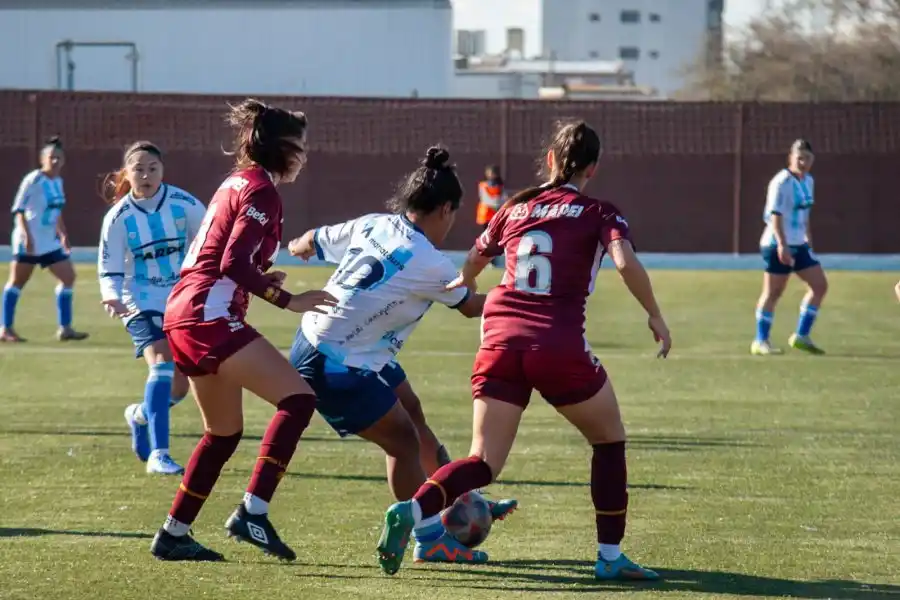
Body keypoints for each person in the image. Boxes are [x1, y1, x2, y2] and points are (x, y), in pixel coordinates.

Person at [375, 120, 672, 581]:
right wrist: (653, 313)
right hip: (556, 343)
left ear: (550, 160)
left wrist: (468, 282)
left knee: (481, 462)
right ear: (592, 168)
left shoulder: (515, 207)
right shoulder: (599, 211)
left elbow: (474, 258)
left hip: (498, 336)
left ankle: (413, 512)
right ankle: (610, 558)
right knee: (609, 441)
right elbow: (625, 261)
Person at [287, 147, 516, 565]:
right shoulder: (430, 260)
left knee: (412, 409)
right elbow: (468, 305)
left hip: (334, 343)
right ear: (445, 209)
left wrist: (298, 244)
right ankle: (429, 540)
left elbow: (309, 241)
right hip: (337, 362)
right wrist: (524, 298)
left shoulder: (374, 224)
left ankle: (459, 498)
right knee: (403, 443)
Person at [149, 98, 338, 562]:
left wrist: (260, 276)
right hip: (206, 316)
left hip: (186, 312)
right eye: (300, 145)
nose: (304, 154)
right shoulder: (261, 191)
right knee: (298, 400)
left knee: (223, 433)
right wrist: (289, 300)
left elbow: (228, 260)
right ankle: (253, 512)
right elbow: (231, 261)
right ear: (279, 148)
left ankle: (174, 533)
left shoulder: (237, 181)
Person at [97, 141, 207, 475]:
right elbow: (109, 265)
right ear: (126, 174)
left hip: (179, 297)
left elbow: (208, 241)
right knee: (160, 364)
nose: (145, 175)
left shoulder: (184, 203)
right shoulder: (118, 217)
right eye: (138, 169)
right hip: (138, 300)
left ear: (162, 171)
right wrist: (111, 295)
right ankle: (160, 454)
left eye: (152, 168)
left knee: (179, 386)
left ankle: (140, 415)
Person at [2, 136, 89, 343]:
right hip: (29, 240)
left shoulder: (57, 181)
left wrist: (63, 234)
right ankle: (5, 328)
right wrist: (27, 237)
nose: (55, 161)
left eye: (59, 158)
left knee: (68, 277)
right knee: (17, 282)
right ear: (43, 160)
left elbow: (56, 210)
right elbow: (19, 210)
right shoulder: (33, 179)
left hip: (48, 241)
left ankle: (65, 328)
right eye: (51, 157)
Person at [752, 139, 827, 356]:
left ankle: (801, 336)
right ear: (791, 158)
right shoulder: (781, 182)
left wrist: (808, 240)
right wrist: (782, 245)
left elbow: (805, 215)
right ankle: (760, 340)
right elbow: (775, 215)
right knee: (773, 292)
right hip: (777, 244)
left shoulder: (808, 181)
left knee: (819, 286)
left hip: (799, 244)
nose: (803, 162)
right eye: (799, 158)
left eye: (807, 158)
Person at [476, 165, 506, 267]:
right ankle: (487, 261)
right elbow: (489, 200)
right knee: (488, 240)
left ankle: (492, 261)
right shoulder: (485, 185)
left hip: (492, 216)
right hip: (487, 216)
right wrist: (497, 204)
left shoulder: (498, 186)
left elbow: (501, 199)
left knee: (492, 240)